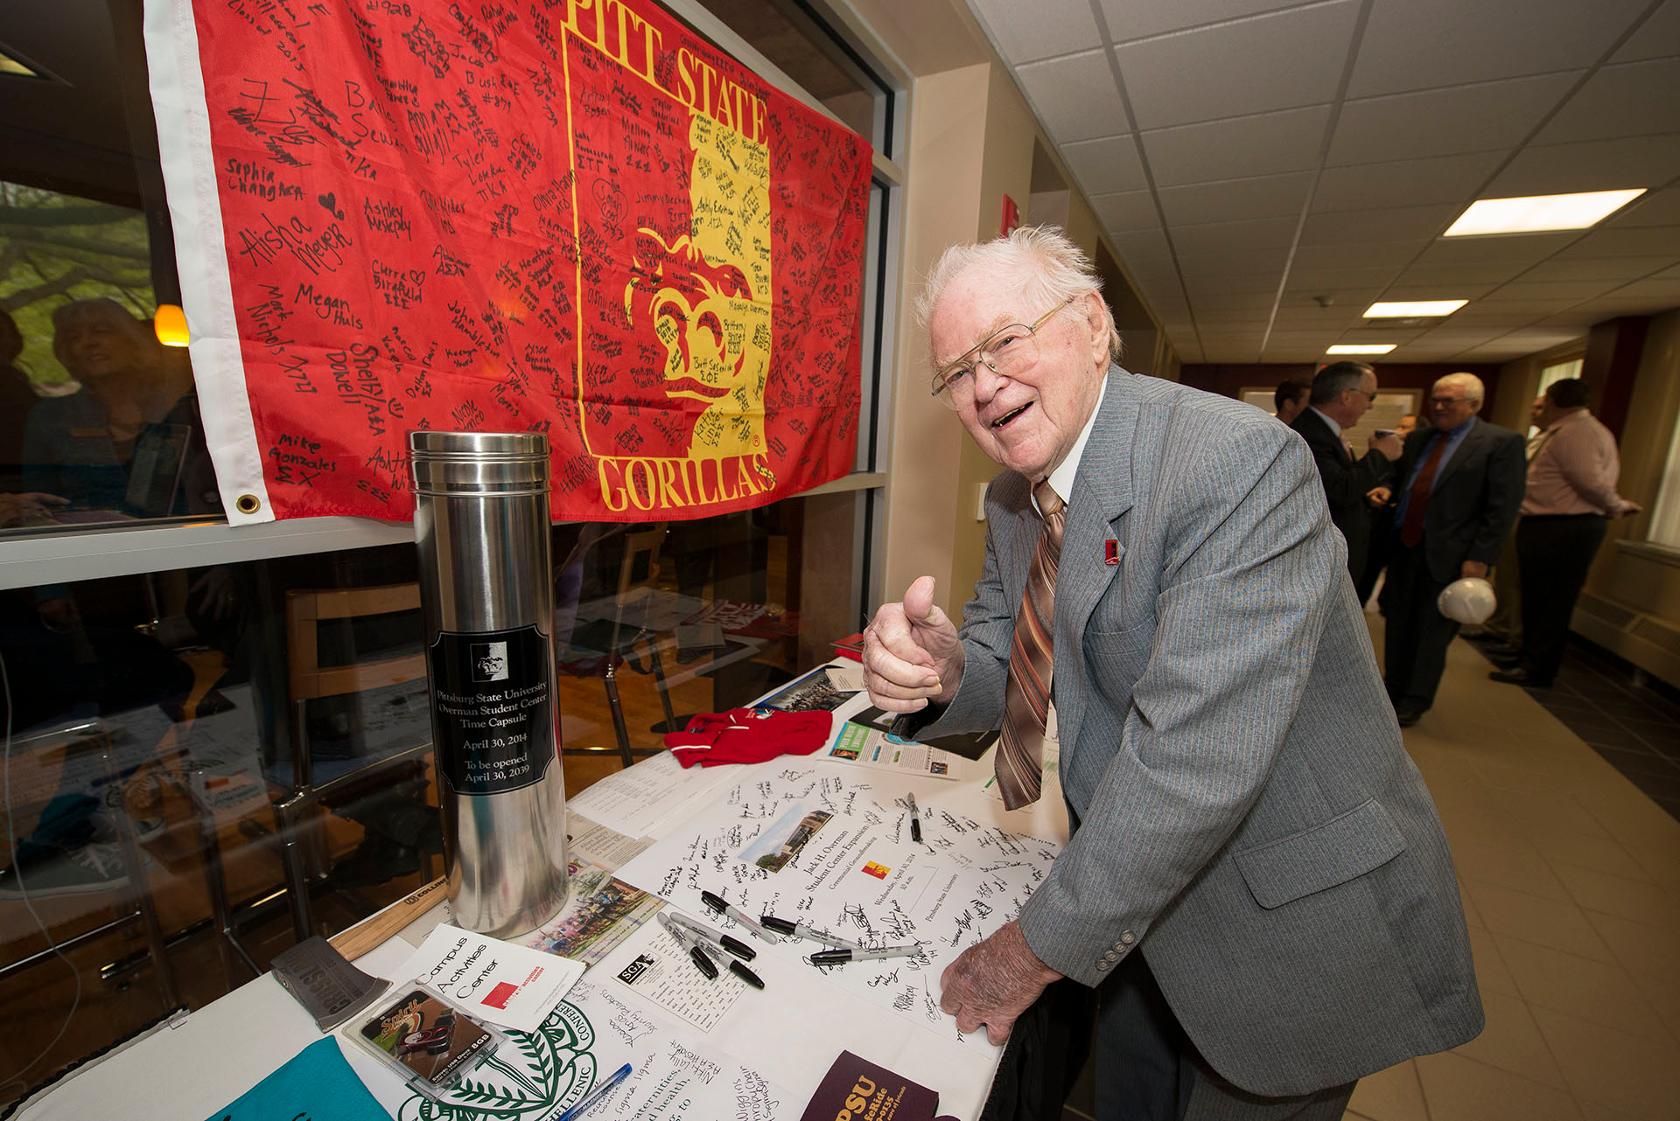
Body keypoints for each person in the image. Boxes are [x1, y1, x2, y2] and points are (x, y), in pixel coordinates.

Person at [862, 227, 1481, 1121]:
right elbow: (1007, 657)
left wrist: (1026, 952)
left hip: (1282, 916)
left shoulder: (1233, 462)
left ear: (1093, 321)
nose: (983, 385)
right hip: (1133, 910)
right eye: (956, 371)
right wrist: (942, 667)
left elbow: (1196, 761)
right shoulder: (1012, 498)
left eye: (1003, 341)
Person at [1377, 373, 1525, 726]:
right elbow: (1403, 483)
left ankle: (1415, 699)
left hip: (1452, 554)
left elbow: (1502, 507)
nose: (1439, 407)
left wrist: (1480, 557)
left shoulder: (1499, 443)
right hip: (1405, 547)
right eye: (1436, 401)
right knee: (1398, 622)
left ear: (1474, 405)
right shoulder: (1420, 440)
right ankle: (1392, 688)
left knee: (1432, 630)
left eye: (1449, 401)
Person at [1489, 378, 1640, 688]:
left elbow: (1589, 481)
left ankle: (1537, 666)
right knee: (1535, 596)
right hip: (1550, 524)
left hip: (1565, 527)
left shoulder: (1576, 432)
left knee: (1552, 601)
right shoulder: (1568, 430)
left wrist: (1615, 505)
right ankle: (1527, 654)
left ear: (1554, 402)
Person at [1291, 362, 1402, 584]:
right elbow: (1340, 490)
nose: (1369, 406)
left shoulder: (1328, 431)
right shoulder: (1310, 433)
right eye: (1370, 397)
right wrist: (1379, 456)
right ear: (1347, 396)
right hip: (1320, 563)